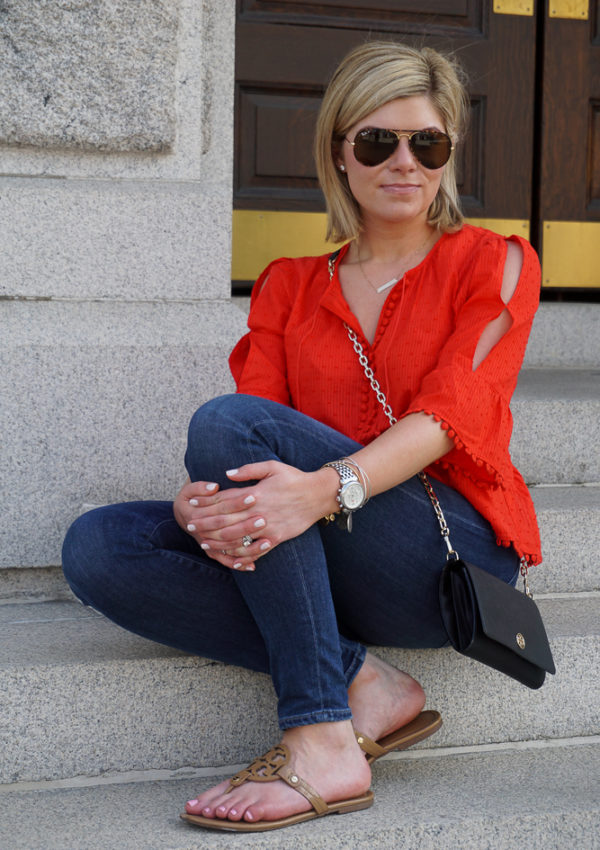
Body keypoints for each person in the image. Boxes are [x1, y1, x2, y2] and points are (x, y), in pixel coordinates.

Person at [62, 41, 542, 833]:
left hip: (444, 555)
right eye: (377, 141)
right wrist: (201, 508)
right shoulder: (290, 286)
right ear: (338, 153)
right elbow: (255, 446)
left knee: (225, 423)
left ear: (449, 155)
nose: (404, 163)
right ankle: (364, 681)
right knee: (100, 547)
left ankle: (321, 735)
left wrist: (325, 487)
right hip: (318, 539)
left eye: (428, 144)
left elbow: (448, 416)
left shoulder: (494, 265)